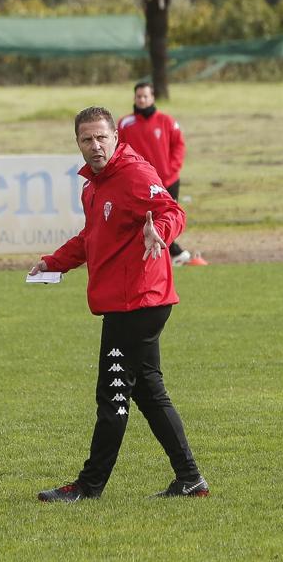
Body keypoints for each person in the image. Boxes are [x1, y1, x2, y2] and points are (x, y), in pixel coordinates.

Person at [32, 106, 208, 501]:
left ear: (115, 137)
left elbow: (172, 212)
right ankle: (190, 478)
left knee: (112, 395)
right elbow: (91, 238)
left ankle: (88, 486)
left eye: (101, 138)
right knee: (147, 391)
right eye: (86, 139)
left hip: (139, 302)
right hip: (128, 301)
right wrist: (53, 263)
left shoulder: (134, 173)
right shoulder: (93, 185)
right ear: (77, 143)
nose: (95, 146)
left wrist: (158, 232)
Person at [117, 82, 202, 266]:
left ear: (152, 97)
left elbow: (179, 146)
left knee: (168, 217)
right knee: (144, 218)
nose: (142, 100)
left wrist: (171, 170)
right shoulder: (125, 123)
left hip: (167, 180)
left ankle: (170, 253)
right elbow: (119, 149)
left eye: (145, 96)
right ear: (134, 98)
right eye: (139, 96)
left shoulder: (167, 121)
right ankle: (167, 254)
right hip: (139, 183)